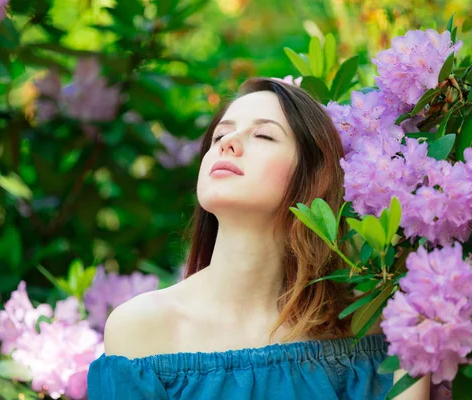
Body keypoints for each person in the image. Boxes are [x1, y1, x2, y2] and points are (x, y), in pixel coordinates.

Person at [87, 77, 430, 399]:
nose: (228, 144)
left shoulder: (366, 328)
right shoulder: (141, 330)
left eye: (264, 136)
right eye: (220, 136)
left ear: (313, 176)